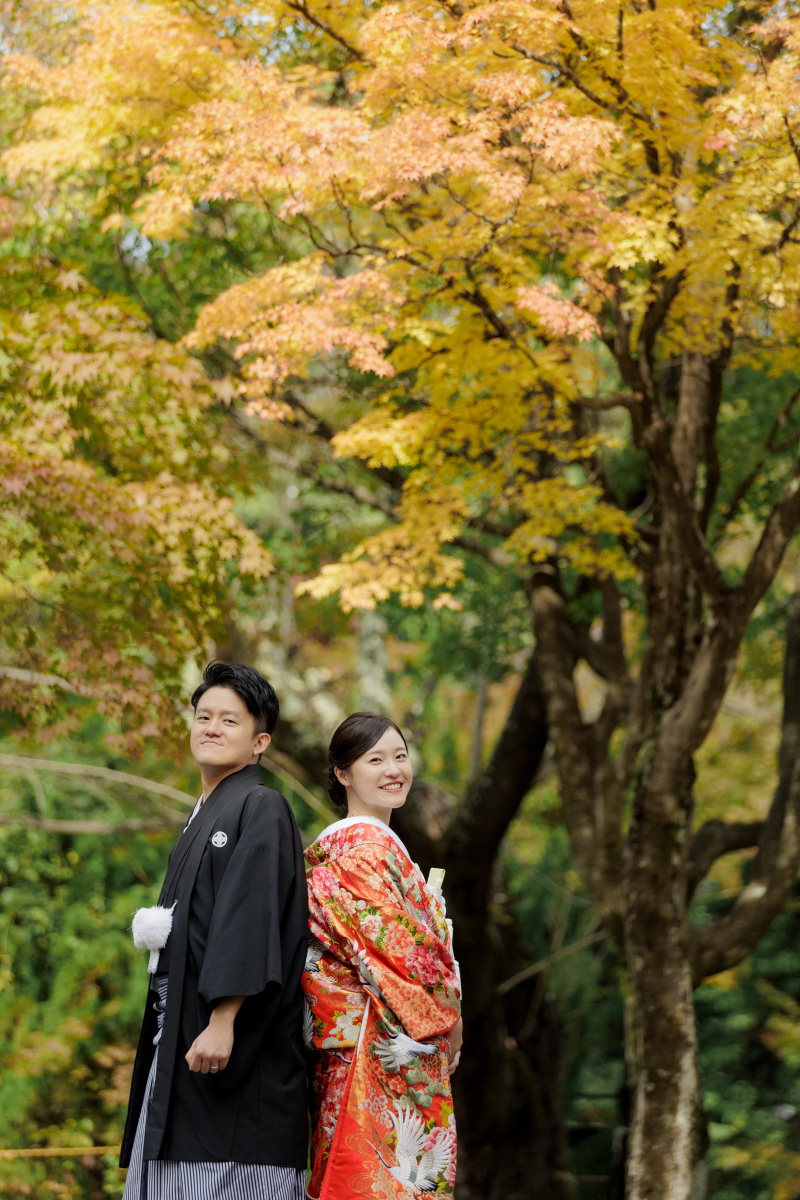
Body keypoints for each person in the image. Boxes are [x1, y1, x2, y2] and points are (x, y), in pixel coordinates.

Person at [120, 660, 309, 1200]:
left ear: (259, 743)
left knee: (222, 1175)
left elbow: (252, 915)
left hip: (230, 1037)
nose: (212, 728)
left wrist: (224, 1018)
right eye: (204, 717)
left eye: (230, 720)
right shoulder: (204, 811)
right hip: (180, 1033)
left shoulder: (261, 804)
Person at [302, 711, 463, 1200]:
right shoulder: (361, 852)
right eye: (375, 760)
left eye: (400, 756)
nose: (394, 770)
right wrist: (451, 1018)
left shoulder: (368, 848)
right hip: (370, 1046)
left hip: (362, 1041)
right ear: (343, 773)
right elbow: (403, 955)